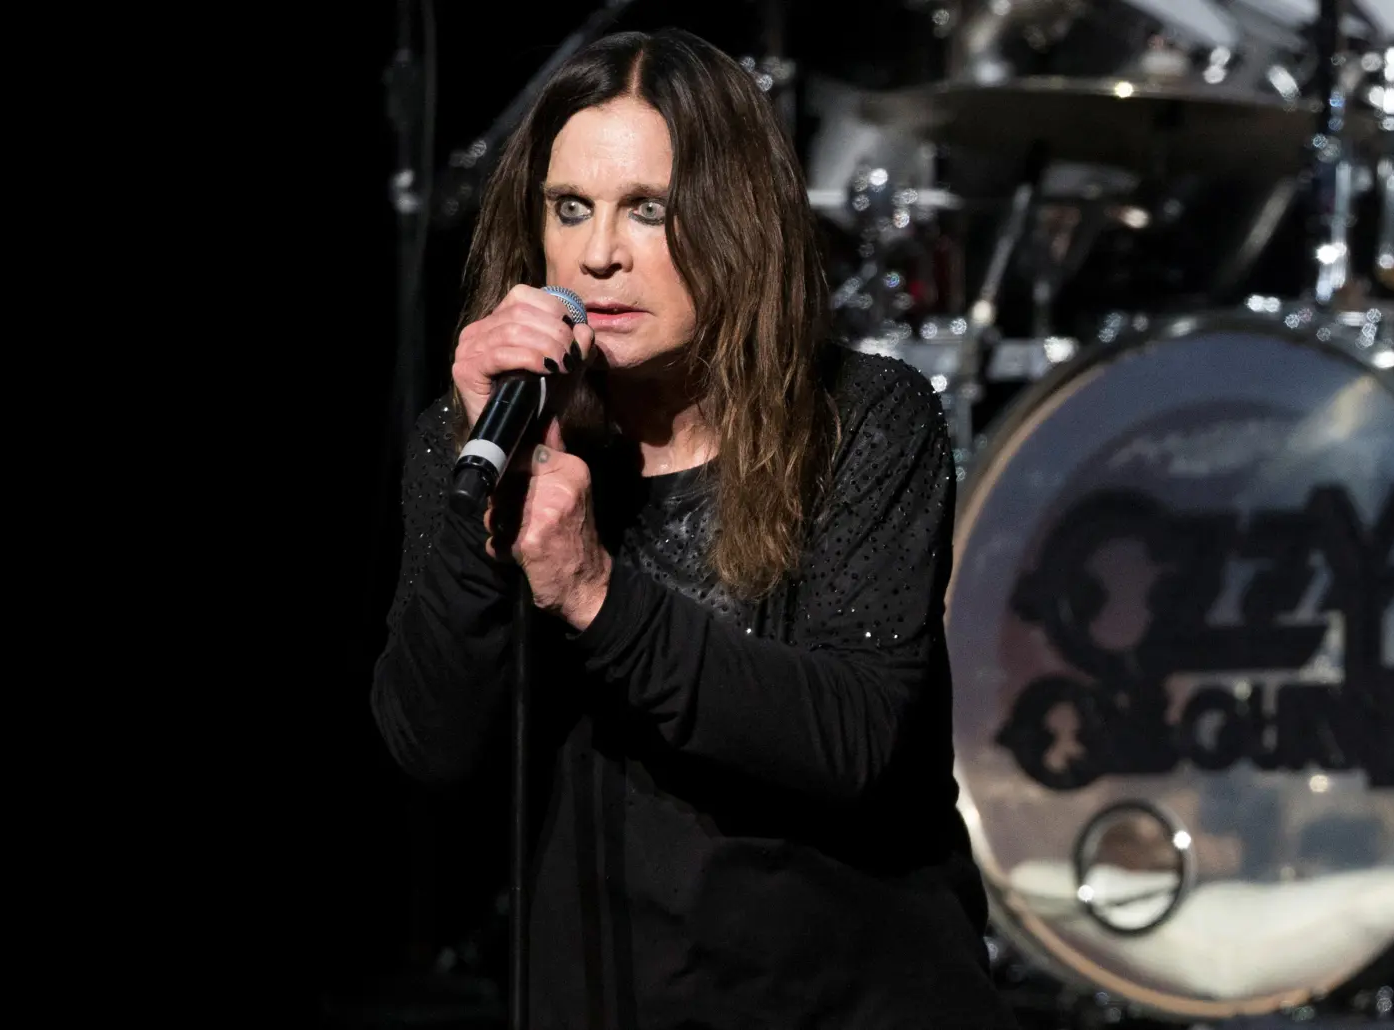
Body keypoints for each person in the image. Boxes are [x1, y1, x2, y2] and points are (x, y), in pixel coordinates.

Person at [370, 27, 1014, 1030]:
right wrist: (479, 502)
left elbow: (853, 740)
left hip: (852, 1005)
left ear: (734, 219)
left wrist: (594, 594)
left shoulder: (863, 420)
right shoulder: (485, 440)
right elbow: (432, 744)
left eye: (649, 209)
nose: (599, 253)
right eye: (570, 208)